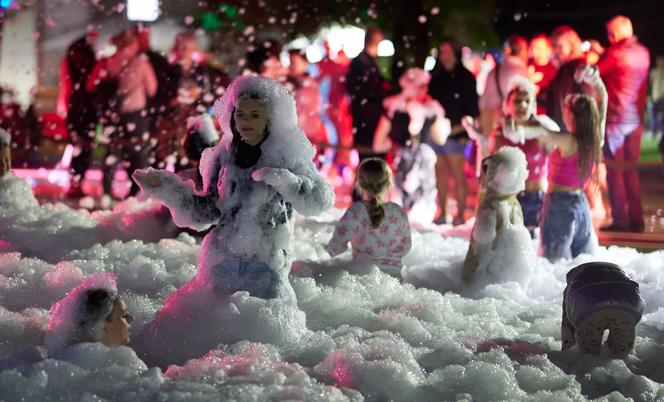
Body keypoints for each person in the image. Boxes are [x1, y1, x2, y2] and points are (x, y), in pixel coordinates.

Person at [133, 75, 334, 302]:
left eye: (255, 115)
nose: (246, 121)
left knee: (265, 329)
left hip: (267, 263)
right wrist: (167, 189)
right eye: (240, 114)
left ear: (269, 119)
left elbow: (321, 200)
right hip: (222, 259)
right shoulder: (224, 156)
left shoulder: (286, 154)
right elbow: (207, 211)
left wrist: (287, 182)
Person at [518, 66, 607, 262]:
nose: (563, 115)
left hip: (559, 204)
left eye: (565, 111)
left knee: (552, 261)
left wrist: (523, 114)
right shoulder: (594, 140)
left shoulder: (568, 141)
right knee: (583, 259)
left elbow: (540, 132)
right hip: (581, 203)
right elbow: (603, 102)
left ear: (572, 116)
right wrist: (598, 85)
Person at [464, 77, 559, 237]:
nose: (522, 105)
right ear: (508, 105)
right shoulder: (500, 134)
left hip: (538, 201)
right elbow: (489, 170)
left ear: (533, 105)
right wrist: (480, 138)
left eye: (527, 101)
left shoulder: (543, 130)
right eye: (517, 101)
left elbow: (560, 158)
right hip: (510, 200)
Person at [373, 68, 450, 224]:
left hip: (422, 170)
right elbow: (379, 142)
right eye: (422, 86)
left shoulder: (430, 109)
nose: (426, 90)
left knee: (418, 213)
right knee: (398, 208)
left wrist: (440, 121)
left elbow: (440, 138)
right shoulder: (395, 107)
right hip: (400, 166)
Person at [87, 29, 158, 198]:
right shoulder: (141, 63)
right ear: (133, 43)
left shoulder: (107, 62)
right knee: (138, 154)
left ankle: (106, 191)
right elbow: (152, 89)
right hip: (135, 115)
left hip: (113, 115)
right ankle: (137, 193)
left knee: (112, 152)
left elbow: (90, 86)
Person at [597, 15, 650, 232]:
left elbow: (597, 70)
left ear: (617, 33)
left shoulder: (616, 53)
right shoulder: (643, 52)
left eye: (611, 33)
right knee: (631, 170)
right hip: (635, 120)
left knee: (614, 171)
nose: (609, 37)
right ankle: (637, 219)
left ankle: (620, 219)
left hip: (615, 120)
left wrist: (598, 51)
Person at [327, 158, 411, 276]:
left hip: (363, 276)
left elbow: (336, 247)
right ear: (388, 183)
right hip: (394, 278)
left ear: (359, 183)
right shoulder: (399, 212)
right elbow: (406, 246)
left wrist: (325, 250)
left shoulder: (357, 210)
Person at [462, 147, 533, 283]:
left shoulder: (490, 207)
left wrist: (467, 277)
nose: (478, 179)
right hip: (510, 277)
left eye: (483, 174)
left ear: (492, 176)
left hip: (486, 279)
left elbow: (481, 248)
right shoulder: (514, 202)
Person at [428, 37, 480, 225]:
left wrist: (463, 132)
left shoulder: (466, 78)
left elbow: (473, 109)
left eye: (449, 52)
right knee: (439, 172)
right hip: (437, 134)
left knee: (458, 175)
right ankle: (443, 212)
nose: (445, 56)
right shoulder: (436, 77)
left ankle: (460, 214)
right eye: (442, 52)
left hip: (457, 133)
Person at [561, 262, 645, 356]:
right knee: (623, 356)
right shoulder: (621, 273)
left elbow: (567, 333)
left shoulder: (573, 282)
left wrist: (566, 350)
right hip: (628, 302)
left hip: (589, 304)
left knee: (588, 360)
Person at [44, 273, 133, 355]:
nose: (131, 318)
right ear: (103, 327)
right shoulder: (107, 364)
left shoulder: (73, 357)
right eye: (124, 316)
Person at [59, 30, 99, 196]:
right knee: (85, 148)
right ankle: (77, 181)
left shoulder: (69, 60)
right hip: (87, 108)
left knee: (77, 146)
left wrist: (64, 105)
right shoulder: (90, 61)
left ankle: (75, 182)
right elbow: (91, 84)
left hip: (75, 107)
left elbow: (66, 84)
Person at [346, 27, 391, 160]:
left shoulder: (364, 62)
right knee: (371, 161)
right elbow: (371, 90)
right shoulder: (364, 63)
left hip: (365, 120)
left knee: (369, 161)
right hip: (367, 121)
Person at [478, 35, 529, 141]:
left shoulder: (494, 71)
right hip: (511, 123)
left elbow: (483, 101)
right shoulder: (521, 71)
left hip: (491, 121)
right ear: (522, 51)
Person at [528, 34, 558, 114]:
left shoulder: (555, 71)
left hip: (546, 116)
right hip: (527, 114)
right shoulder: (525, 67)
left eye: (538, 48)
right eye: (532, 48)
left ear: (548, 49)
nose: (534, 51)